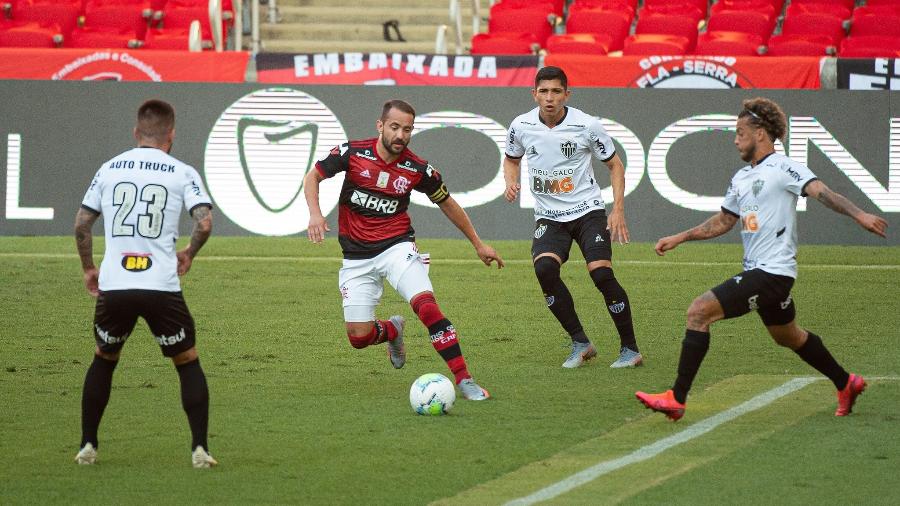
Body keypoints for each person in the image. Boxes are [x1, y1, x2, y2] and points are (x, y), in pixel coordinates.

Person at [636, 97, 888, 421]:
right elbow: (725, 221)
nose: (735, 138)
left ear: (761, 133)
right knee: (789, 336)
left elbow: (824, 192)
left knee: (698, 312)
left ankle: (676, 398)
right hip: (761, 272)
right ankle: (846, 382)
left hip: (773, 273)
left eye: (741, 131)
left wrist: (859, 215)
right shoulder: (741, 178)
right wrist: (681, 238)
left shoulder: (785, 168)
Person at [304, 99, 504, 401]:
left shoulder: (417, 169)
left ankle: (464, 379)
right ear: (380, 126)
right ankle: (392, 331)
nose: (400, 135)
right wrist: (315, 214)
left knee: (427, 307)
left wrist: (478, 244)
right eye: (395, 127)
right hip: (356, 258)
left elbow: (447, 203)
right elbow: (313, 176)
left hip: (397, 248)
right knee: (359, 338)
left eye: (407, 129)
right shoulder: (353, 153)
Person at [73, 99, 217, 467]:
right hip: (160, 286)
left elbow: (82, 225)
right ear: (171, 135)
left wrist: (90, 267)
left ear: (136, 133)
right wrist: (189, 253)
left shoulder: (108, 169)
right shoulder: (182, 172)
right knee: (186, 361)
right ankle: (199, 449)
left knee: (104, 359)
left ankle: (88, 445)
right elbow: (203, 222)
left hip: (115, 284)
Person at [504, 66, 643, 369]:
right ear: (534, 94)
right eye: (544, 91)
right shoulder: (521, 125)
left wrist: (617, 209)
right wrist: (510, 181)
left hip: (587, 212)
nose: (550, 98)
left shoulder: (587, 126)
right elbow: (511, 159)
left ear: (567, 94)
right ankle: (580, 342)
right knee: (544, 270)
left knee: (601, 274)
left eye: (556, 92)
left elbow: (616, 166)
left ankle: (630, 349)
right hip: (549, 216)